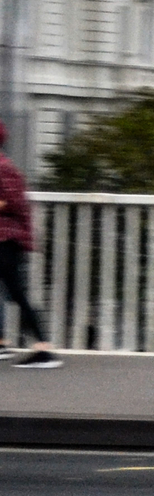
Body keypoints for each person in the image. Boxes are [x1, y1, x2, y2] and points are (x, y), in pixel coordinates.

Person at [0, 121, 57, 368]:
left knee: (18, 294)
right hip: (6, 239)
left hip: (7, 240)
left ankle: (44, 350)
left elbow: (14, 203)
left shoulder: (3, 168)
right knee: (14, 292)